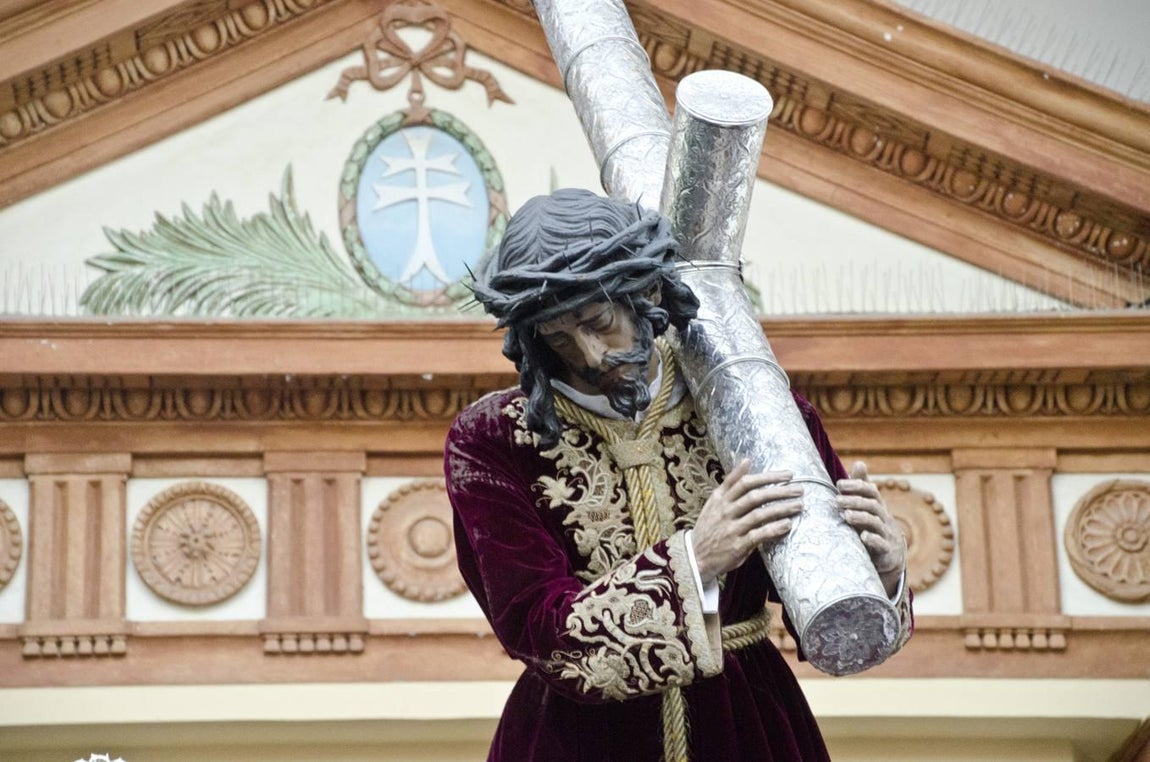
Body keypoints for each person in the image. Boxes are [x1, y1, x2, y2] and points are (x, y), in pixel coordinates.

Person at [444, 188, 912, 761]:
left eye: (598, 322)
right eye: (560, 338)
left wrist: (879, 574)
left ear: (644, 293)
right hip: (577, 740)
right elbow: (541, 634)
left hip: (745, 729)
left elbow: (838, 630)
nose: (590, 356)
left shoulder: (748, 405)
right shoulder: (492, 442)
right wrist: (696, 559)